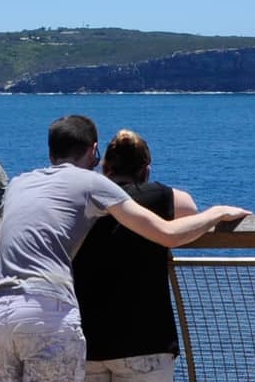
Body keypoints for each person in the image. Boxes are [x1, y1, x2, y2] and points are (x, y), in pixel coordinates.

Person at [0, 115, 250, 382]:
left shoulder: (18, 184)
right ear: (93, 152)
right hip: (50, 312)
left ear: (50, 152)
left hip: (2, 310)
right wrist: (217, 212)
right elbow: (167, 233)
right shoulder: (92, 184)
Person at [71, 130, 196, 382]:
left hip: (87, 341)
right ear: (146, 170)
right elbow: (190, 209)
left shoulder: (83, 202)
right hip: (145, 340)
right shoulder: (159, 198)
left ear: (105, 169)